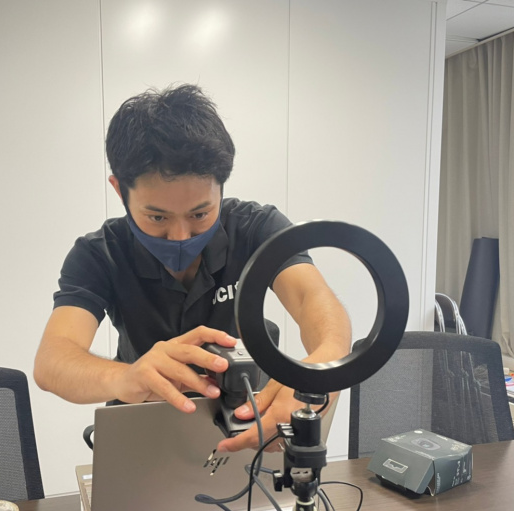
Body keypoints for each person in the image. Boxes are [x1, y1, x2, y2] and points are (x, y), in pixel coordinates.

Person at [34, 84, 351, 453]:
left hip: (246, 427)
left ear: (221, 188)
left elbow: (311, 297)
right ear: (119, 190)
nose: (180, 237)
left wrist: (320, 371)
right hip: (144, 433)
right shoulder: (99, 253)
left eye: (200, 214)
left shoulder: (256, 228)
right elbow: (53, 361)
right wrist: (127, 376)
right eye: (157, 217)